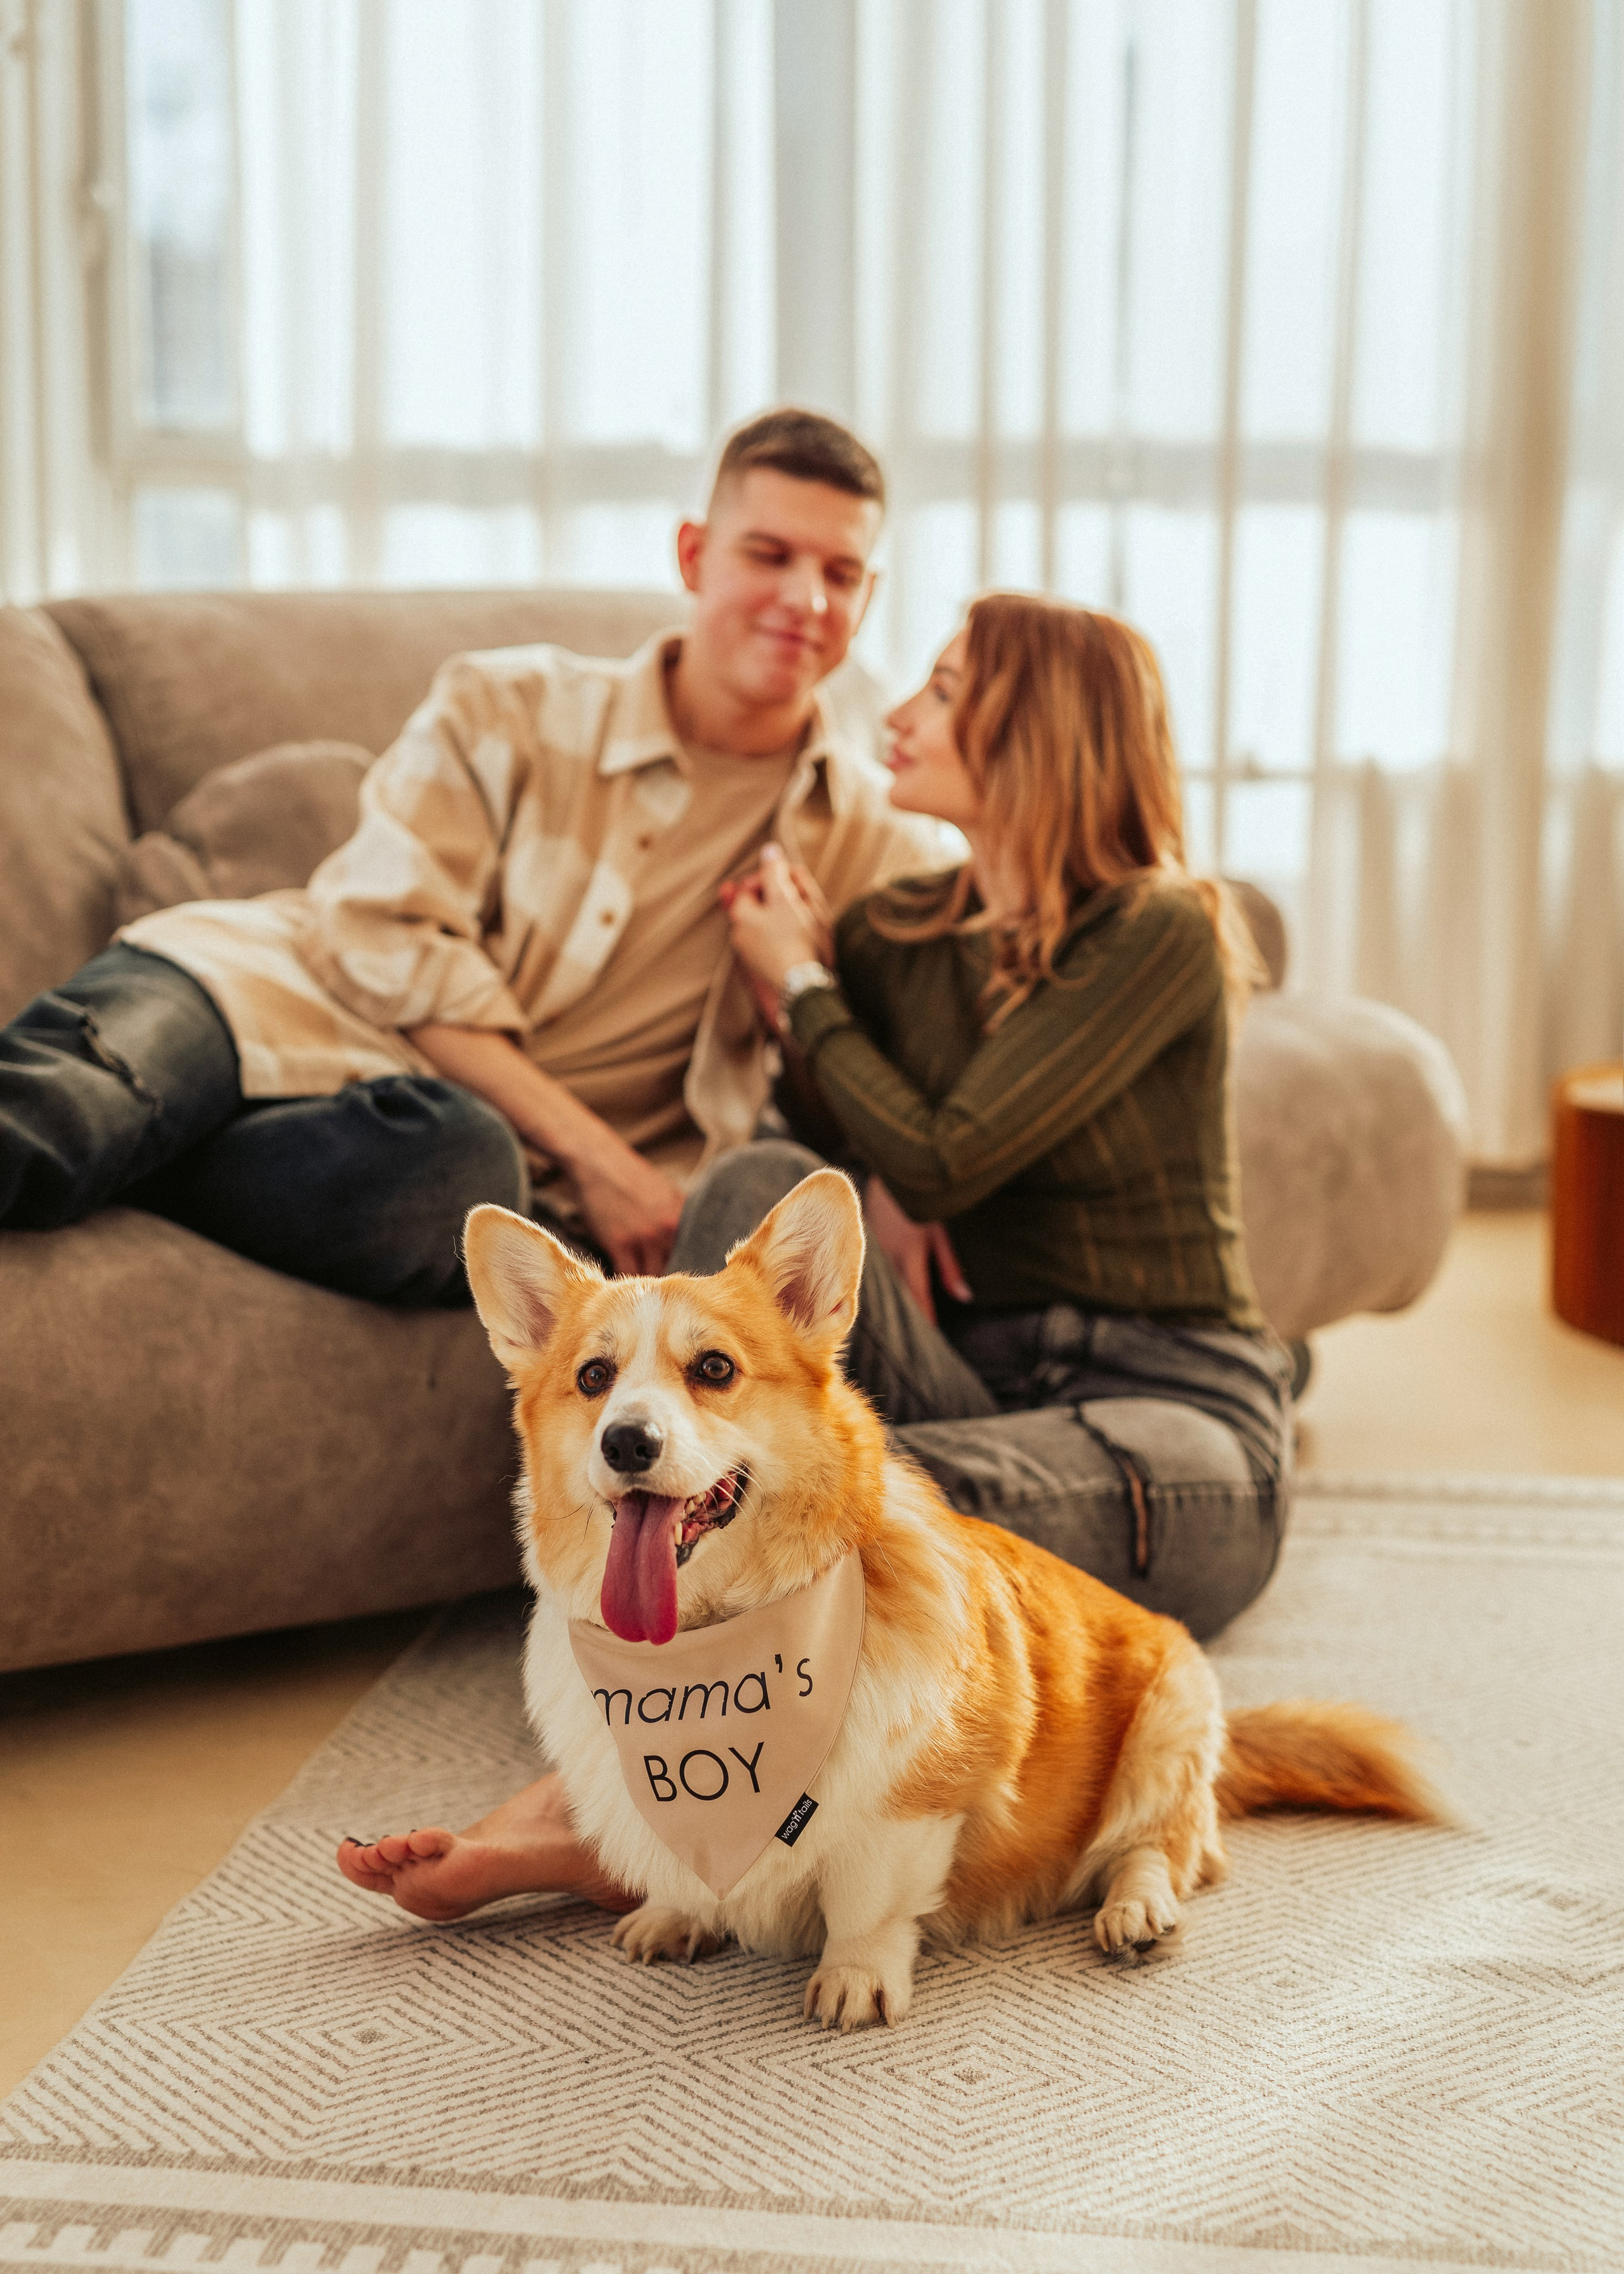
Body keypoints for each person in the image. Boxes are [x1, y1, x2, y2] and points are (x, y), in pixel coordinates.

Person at [336, 591, 1293, 1927]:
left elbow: (956, 1150)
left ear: (1040, 732)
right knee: (751, 1229)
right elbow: (813, 1155)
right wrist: (872, 1172)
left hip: (1173, 1413)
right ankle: (666, 1791)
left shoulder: (1161, 929)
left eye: (945, 691)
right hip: (983, 1368)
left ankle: (601, 1814)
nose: (896, 711)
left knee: (863, 1517)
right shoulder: (901, 927)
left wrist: (799, 984)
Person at [0, 408, 935, 1289]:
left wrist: (812, 1024)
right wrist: (598, 1156)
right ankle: (130, 1138)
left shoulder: (868, 844)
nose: (805, 599)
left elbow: (906, 1077)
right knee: (64, 1114)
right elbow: (381, 932)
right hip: (267, 999)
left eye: (841, 574)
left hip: (426, 1133)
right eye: (768, 554)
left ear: (871, 594)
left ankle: (150, 1162)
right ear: (694, 556)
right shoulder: (509, 706)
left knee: (460, 1180)